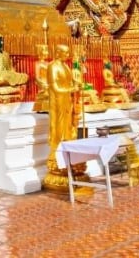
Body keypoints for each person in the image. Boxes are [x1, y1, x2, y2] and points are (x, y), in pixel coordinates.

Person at [47, 44, 82, 180]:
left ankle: (69, 150)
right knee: (59, 128)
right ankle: (58, 154)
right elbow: (55, 87)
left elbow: (70, 83)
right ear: (58, 53)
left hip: (67, 102)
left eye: (68, 53)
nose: (68, 55)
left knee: (69, 127)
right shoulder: (52, 66)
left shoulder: (66, 66)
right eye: (65, 53)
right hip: (58, 103)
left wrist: (76, 84)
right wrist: (70, 90)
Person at [33, 44, 51, 113]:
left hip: (48, 81)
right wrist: (41, 82)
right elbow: (37, 76)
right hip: (42, 81)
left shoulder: (48, 63)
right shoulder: (38, 63)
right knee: (46, 89)